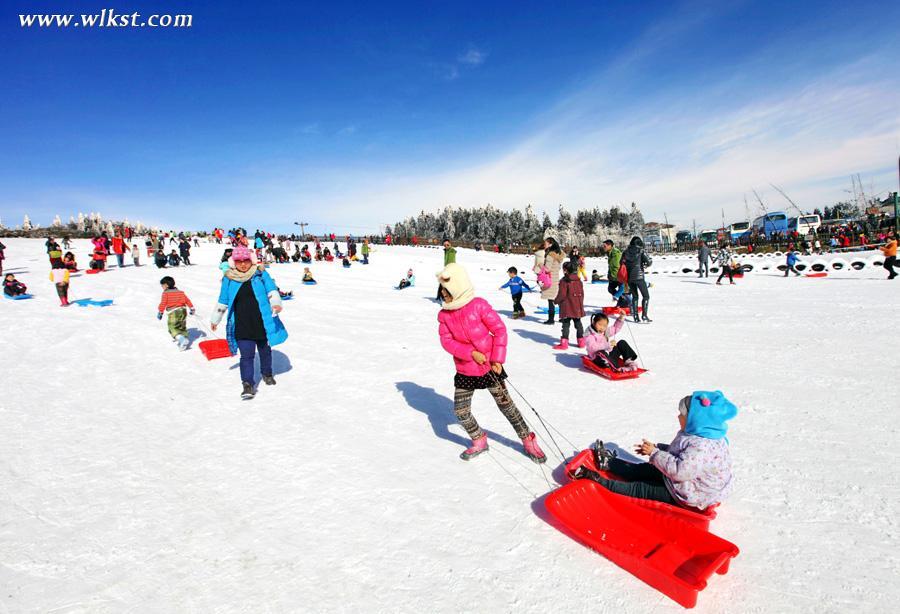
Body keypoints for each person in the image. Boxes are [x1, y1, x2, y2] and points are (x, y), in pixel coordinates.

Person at [436, 263, 545, 463]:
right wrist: (470, 353)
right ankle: (479, 439)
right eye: (442, 290)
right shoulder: (444, 315)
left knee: (506, 406)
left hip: (489, 366)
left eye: (447, 290)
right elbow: (447, 342)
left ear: (459, 286)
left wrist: (497, 359)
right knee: (461, 411)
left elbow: (499, 330)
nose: (444, 294)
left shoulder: (478, 305)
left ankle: (527, 439)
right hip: (465, 369)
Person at [573, 391, 736, 512]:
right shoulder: (703, 433)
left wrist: (655, 453)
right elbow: (682, 454)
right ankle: (608, 463)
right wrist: (659, 449)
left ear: (695, 420)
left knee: (641, 488)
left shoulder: (702, 446)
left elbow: (680, 471)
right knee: (644, 469)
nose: (678, 416)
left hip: (690, 493)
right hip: (688, 481)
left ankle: (600, 483)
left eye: (682, 414)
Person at [211, 246, 287, 400]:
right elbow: (223, 300)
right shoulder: (229, 278)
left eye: (246, 260)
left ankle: (267, 373)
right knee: (246, 355)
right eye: (239, 261)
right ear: (233, 262)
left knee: (265, 350)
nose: (243, 264)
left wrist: (276, 303)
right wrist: (215, 319)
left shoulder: (260, 273)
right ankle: (247, 383)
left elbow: (271, 290)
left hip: (262, 321)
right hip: (242, 324)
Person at [553, 261, 585, 349]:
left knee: (566, 324)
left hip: (567, 307)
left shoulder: (565, 281)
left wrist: (556, 301)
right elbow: (582, 294)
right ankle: (581, 341)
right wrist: (580, 304)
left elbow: (562, 295)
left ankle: (564, 343)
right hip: (577, 306)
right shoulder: (579, 280)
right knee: (578, 323)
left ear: (565, 270)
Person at [533, 237, 565, 324]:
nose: (544, 244)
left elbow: (547, 269)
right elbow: (557, 267)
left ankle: (551, 320)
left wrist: (539, 265)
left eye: (546, 243)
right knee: (557, 299)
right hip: (555, 278)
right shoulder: (558, 254)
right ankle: (562, 317)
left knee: (551, 300)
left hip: (549, 279)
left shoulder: (550, 255)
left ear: (550, 244)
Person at [157, 276, 195, 350]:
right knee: (181, 325)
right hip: (183, 311)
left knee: (172, 327)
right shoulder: (180, 292)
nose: (162, 287)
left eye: (162, 285)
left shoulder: (165, 293)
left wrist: (160, 312)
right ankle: (183, 339)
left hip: (173, 312)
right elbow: (187, 300)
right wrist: (192, 308)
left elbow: (163, 303)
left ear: (166, 285)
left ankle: (181, 339)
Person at [622, 237, 652, 322]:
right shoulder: (641, 251)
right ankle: (644, 316)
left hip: (629, 278)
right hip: (639, 277)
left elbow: (622, 263)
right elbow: (648, 262)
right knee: (646, 296)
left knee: (635, 296)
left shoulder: (625, 252)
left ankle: (636, 317)